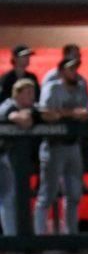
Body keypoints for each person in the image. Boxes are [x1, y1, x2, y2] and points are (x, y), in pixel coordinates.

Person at [35, 57, 88, 235]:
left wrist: (77, 114)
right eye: (70, 69)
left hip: (73, 145)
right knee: (48, 194)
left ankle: (72, 237)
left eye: (76, 69)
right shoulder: (52, 87)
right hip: (53, 145)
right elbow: (45, 113)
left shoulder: (81, 87)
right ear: (61, 72)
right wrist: (72, 113)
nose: (74, 72)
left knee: (74, 194)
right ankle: (40, 238)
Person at [0, 78, 40, 235]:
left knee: (14, 197)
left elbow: (50, 114)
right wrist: (31, 114)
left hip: (10, 158)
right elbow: (22, 121)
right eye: (28, 93)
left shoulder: (31, 107)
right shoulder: (7, 106)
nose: (32, 96)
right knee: (8, 198)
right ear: (17, 94)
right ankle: (11, 239)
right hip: (3, 156)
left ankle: (19, 236)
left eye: (33, 92)